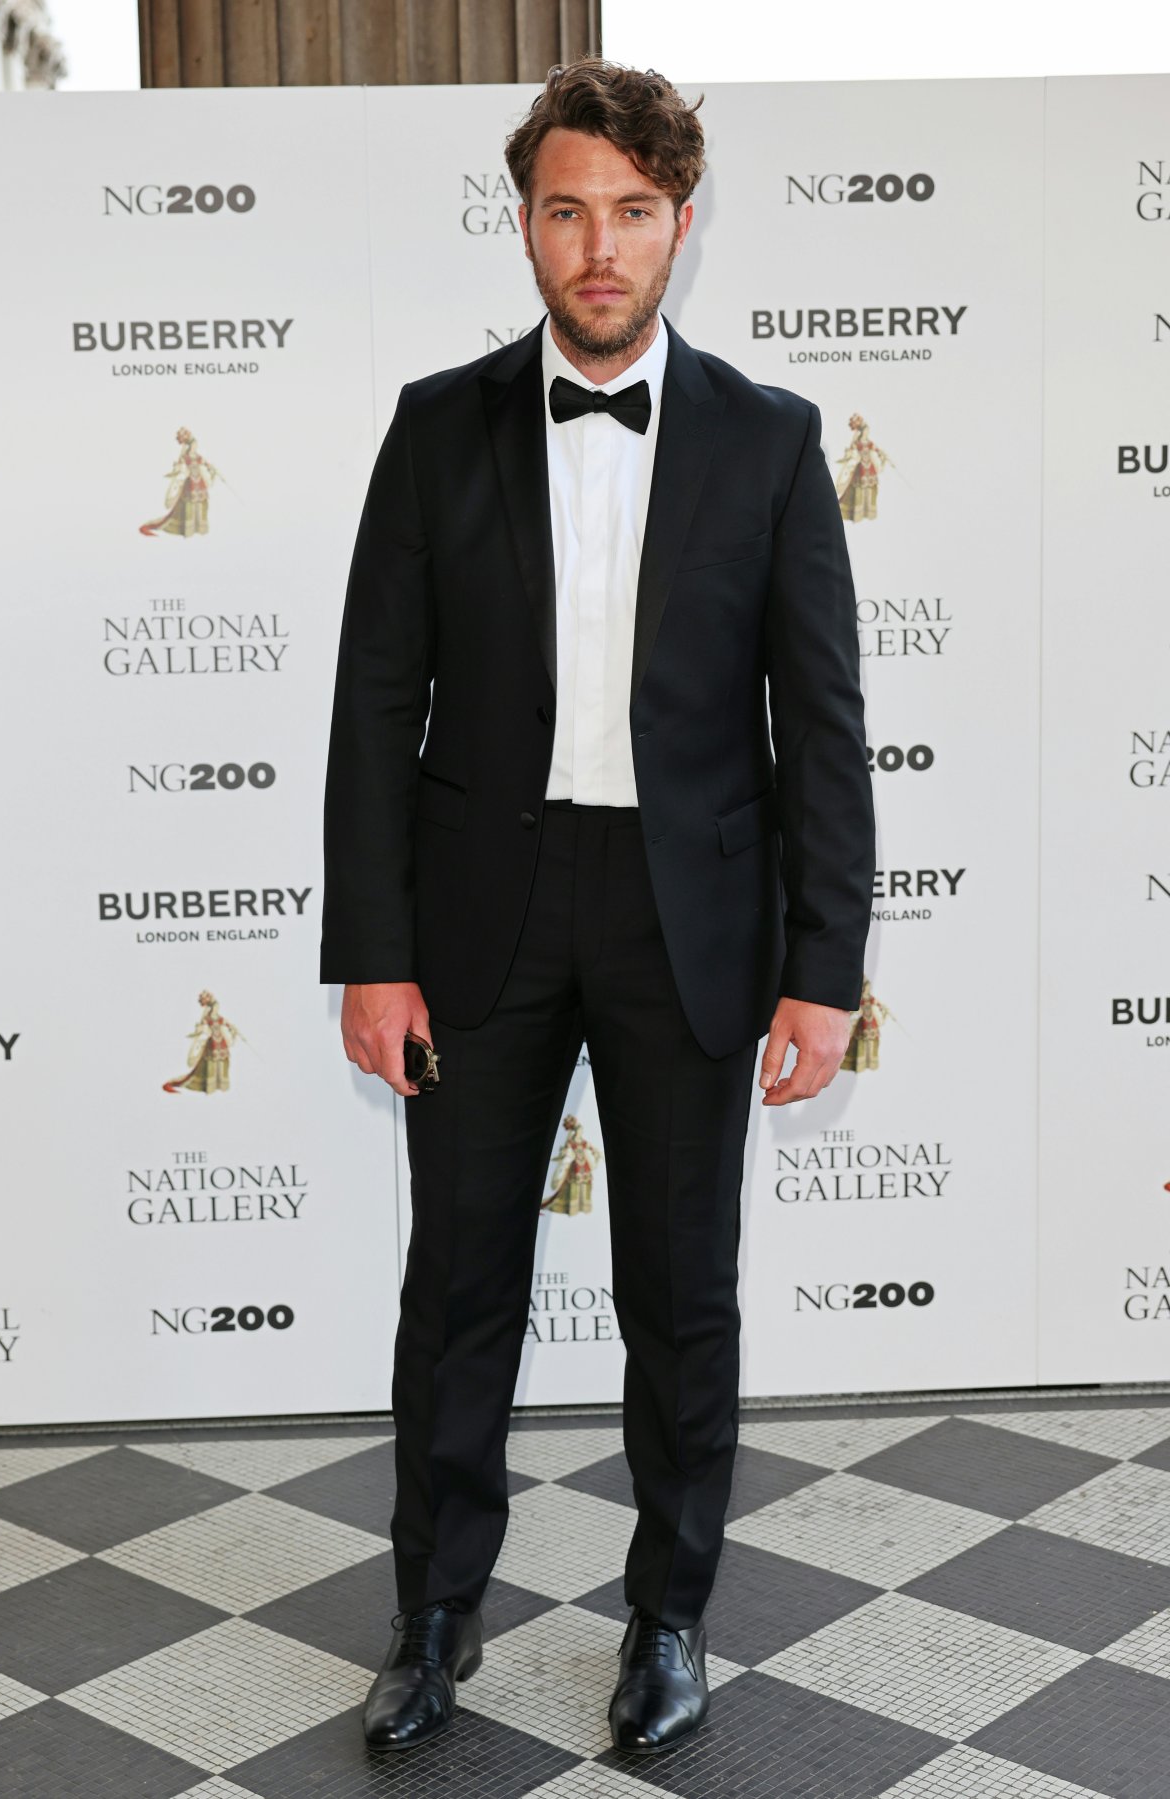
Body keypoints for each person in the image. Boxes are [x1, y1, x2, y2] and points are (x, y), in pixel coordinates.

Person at [321, 57, 875, 1756]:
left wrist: (824, 969)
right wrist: (372, 956)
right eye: (568, 210)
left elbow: (822, 724)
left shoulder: (772, 443)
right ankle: (434, 1618)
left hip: (686, 919)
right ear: (525, 225)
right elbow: (374, 707)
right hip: (476, 917)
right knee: (458, 1289)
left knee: (682, 1295)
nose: (600, 246)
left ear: (680, 226)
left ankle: (670, 1618)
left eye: (632, 211)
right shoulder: (436, 426)